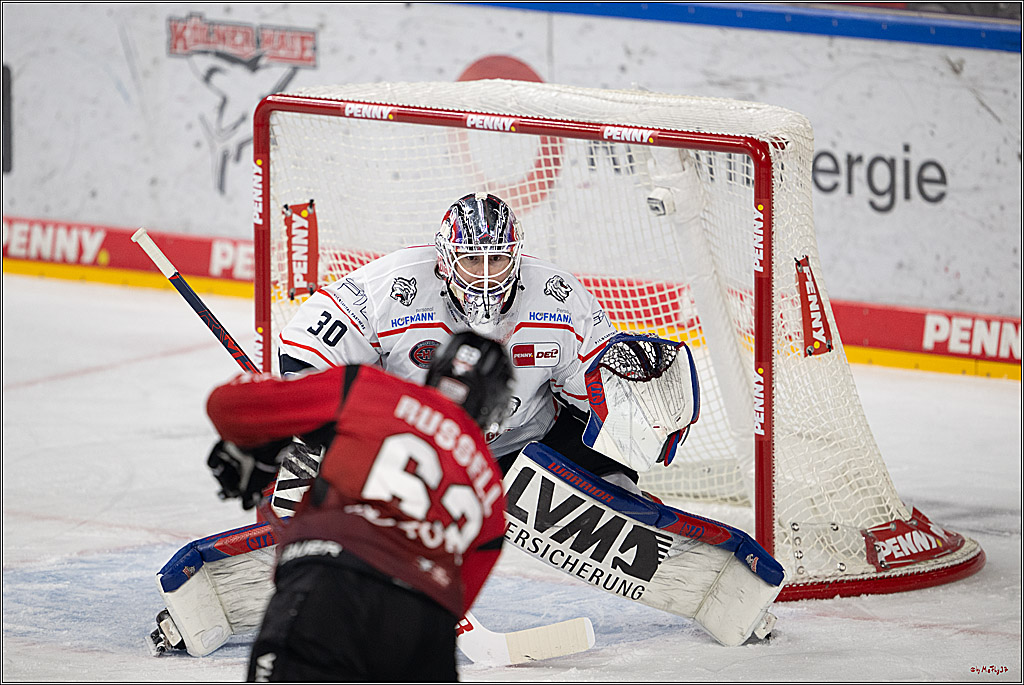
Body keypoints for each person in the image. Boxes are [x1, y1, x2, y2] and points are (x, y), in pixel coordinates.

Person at [276, 191, 643, 494]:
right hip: (410, 452)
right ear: (445, 259)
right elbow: (305, 350)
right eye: (471, 260)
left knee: (617, 474)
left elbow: (598, 396)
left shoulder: (560, 298)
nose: (485, 276)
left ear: (516, 259)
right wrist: (323, 431)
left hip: (524, 448)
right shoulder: (390, 287)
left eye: (496, 259)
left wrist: (637, 407)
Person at [205, 332, 515, 682]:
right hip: (424, 630)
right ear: (494, 404)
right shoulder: (490, 487)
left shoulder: (369, 387)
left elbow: (225, 406)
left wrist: (255, 446)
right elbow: (459, 600)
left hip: (331, 585)